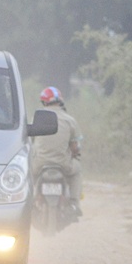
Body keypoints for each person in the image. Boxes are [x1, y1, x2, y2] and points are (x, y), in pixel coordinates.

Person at [35, 86, 84, 214]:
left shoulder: (38, 118)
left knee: (26, 176)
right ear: (60, 101)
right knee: (77, 171)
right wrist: (75, 154)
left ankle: (28, 202)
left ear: (44, 102)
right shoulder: (70, 120)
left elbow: (31, 141)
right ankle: (74, 203)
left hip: (39, 164)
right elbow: (75, 146)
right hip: (63, 164)